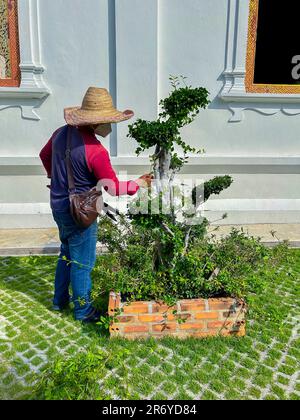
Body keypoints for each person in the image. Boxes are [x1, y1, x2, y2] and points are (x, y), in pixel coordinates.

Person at [39, 87, 152, 323]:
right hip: (81, 211)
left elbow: (44, 155)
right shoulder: (96, 151)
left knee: (66, 253)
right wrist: (137, 183)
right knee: (83, 262)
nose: (110, 126)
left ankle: (59, 301)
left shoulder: (59, 133)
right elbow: (111, 187)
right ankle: (83, 311)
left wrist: (56, 177)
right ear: (97, 122)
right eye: (109, 121)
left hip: (58, 204)